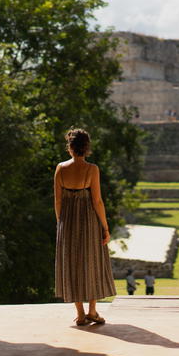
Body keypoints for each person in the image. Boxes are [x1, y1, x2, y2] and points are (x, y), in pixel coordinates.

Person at [54, 128, 116, 325]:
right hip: (89, 220)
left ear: (70, 147)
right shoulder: (92, 169)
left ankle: (80, 314)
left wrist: (61, 223)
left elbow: (57, 200)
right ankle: (93, 311)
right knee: (92, 262)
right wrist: (105, 228)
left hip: (68, 221)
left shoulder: (61, 168)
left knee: (72, 264)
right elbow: (97, 201)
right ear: (86, 148)